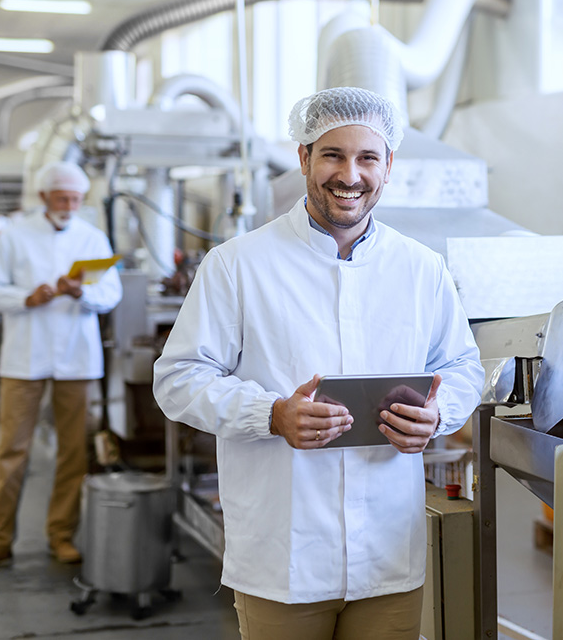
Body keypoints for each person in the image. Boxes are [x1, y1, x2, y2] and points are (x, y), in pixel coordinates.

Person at [152, 87, 484, 639]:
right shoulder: (238, 265)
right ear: (304, 158)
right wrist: (271, 414)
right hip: (284, 555)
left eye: (367, 158)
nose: (349, 174)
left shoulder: (421, 269)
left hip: (388, 552)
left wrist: (439, 413)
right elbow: (179, 377)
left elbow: (462, 365)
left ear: (388, 165)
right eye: (332, 155)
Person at [0, 162, 123, 575]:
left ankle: (61, 536)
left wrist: (81, 291)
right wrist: (27, 298)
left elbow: (110, 293)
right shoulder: (15, 236)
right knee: (12, 450)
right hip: (24, 358)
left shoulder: (92, 237)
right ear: (43, 198)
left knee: (74, 452)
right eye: (61, 198)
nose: (69, 206)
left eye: (74, 199)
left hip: (76, 357)